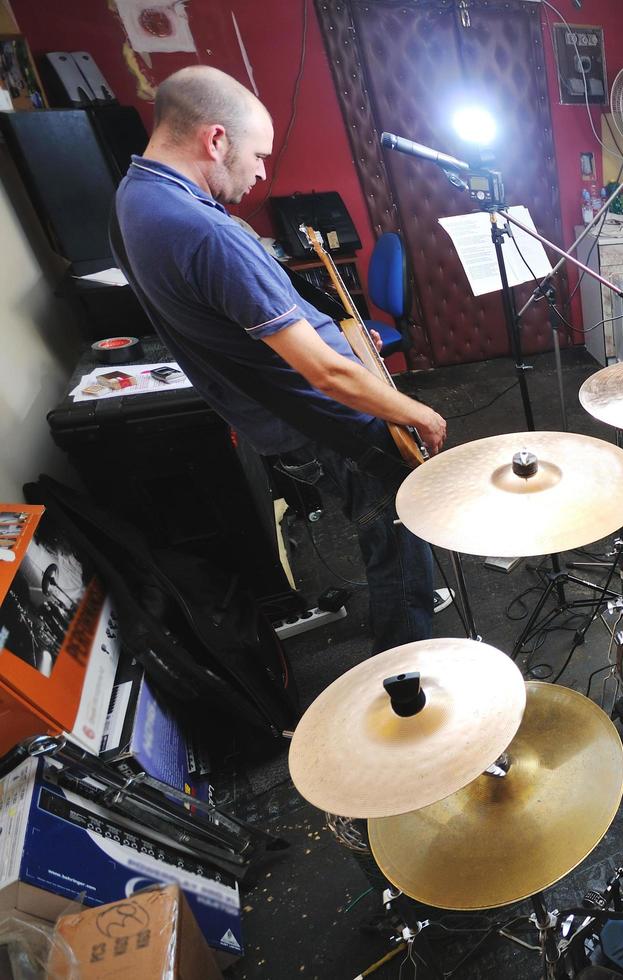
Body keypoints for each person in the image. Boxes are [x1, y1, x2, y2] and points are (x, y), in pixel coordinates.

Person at [111, 66, 446, 653]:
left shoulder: (132, 197)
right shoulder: (206, 232)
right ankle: (411, 681)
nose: (263, 172)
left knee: (392, 539)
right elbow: (325, 371)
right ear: (215, 140)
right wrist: (414, 411)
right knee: (397, 543)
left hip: (279, 424)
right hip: (328, 423)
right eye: (258, 155)